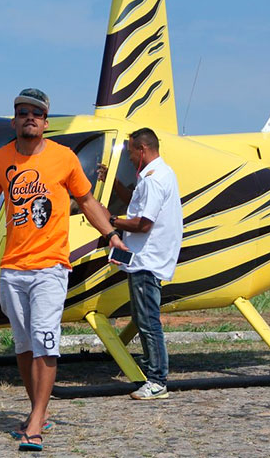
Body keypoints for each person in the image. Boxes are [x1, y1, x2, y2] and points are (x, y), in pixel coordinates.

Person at [0, 88, 126, 452]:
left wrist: (110, 234)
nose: (29, 117)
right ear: (14, 119)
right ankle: (38, 410)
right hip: (13, 268)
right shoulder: (1, 160)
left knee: (46, 340)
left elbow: (87, 200)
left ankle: (35, 422)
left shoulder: (64, 158)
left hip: (50, 267)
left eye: (36, 112)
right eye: (22, 112)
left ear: (46, 122)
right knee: (24, 345)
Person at [105, 127, 182, 400]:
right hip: (146, 257)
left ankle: (157, 380)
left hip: (146, 259)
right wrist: (113, 184)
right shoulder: (160, 173)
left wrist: (111, 221)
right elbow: (137, 205)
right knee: (143, 318)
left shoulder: (152, 180)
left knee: (148, 321)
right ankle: (155, 375)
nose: (128, 158)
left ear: (143, 149)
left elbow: (142, 223)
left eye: (130, 152)